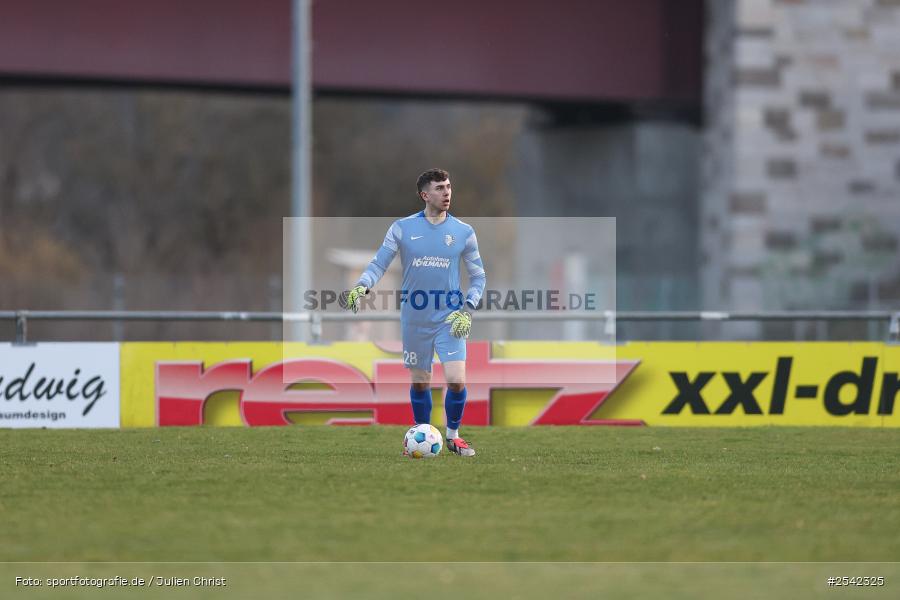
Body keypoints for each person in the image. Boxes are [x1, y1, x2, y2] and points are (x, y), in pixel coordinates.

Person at [340, 168, 486, 456]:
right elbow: (379, 264)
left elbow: (479, 277)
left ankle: (454, 436)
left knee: (457, 380)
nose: (446, 193)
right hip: (415, 318)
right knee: (421, 381)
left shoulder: (464, 232)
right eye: (439, 188)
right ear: (424, 195)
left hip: (451, 318)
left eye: (448, 186)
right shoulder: (402, 228)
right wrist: (362, 286)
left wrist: (467, 310)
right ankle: (422, 437)